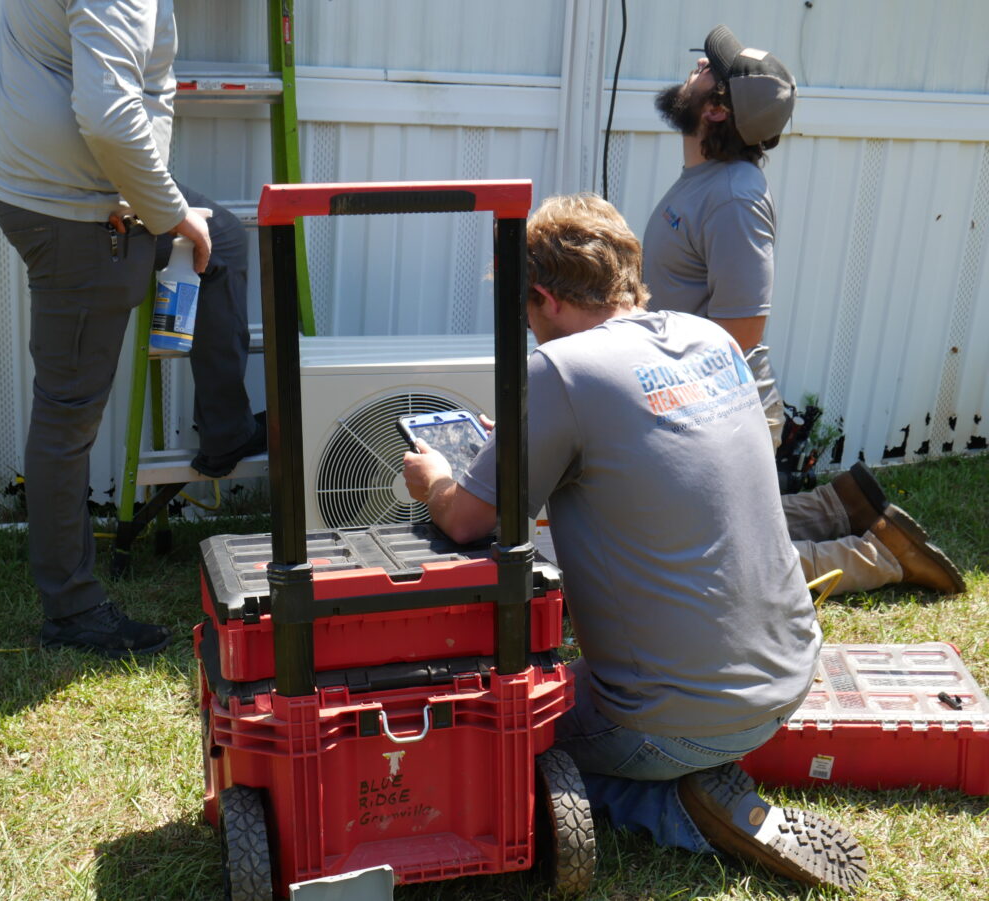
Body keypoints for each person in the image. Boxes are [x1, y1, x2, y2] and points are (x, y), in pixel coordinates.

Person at [403, 194, 867, 891]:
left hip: (675, 719)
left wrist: (436, 479)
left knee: (486, 728)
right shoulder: (707, 337)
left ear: (543, 297)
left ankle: (676, 802)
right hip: (789, 677)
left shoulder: (558, 372)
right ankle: (697, 766)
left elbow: (471, 522)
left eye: (525, 313)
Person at [0, 0, 264, 656]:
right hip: (76, 209)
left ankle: (223, 430)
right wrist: (167, 214)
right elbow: (107, 115)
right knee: (68, 414)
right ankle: (72, 609)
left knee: (218, 234)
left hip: (62, 187)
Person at [642, 24, 963, 597]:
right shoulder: (707, 180)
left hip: (716, 406)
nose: (694, 68)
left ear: (716, 110)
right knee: (693, 534)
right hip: (697, 399)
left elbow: (738, 331)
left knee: (703, 567)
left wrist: (669, 415)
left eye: (706, 69)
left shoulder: (734, 197)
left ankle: (876, 554)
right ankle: (835, 506)